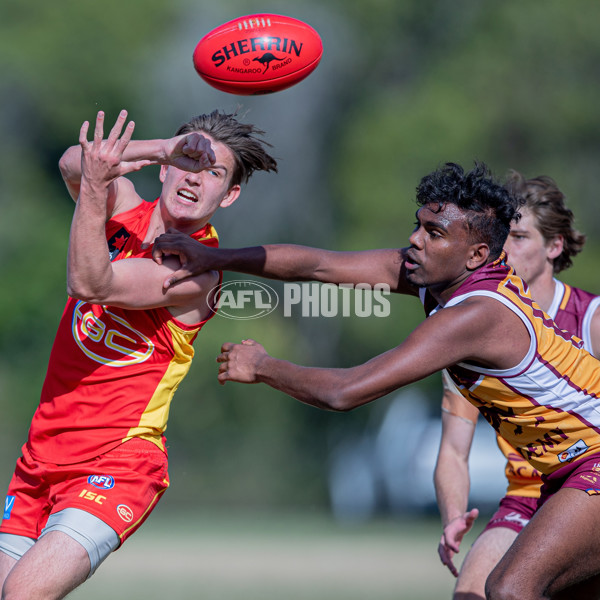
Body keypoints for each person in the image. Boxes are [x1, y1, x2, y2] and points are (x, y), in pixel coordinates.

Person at [152, 161, 600, 599]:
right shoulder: (445, 281)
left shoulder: (476, 314)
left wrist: (264, 365)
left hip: (591, 462)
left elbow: (346, 391)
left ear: (477, 255)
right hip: (563, 472)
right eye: (419, 225)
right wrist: (216, 257)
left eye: (434, 233)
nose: (414, 240)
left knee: (508, 590)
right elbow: (319, 266)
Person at [0, 109, 277, 599]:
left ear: (229, 195)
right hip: (40, 457)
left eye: (214, 173)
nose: (195, 178)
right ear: (165, 167)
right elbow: (71, 163)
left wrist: (93, 186)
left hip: (119, 463)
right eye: (188, 161)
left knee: (22, 595)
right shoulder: (123, 206)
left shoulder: (200, 274)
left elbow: (90, 283)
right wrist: (156, 148)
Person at [434, 171, 600, 599]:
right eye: (501, 235)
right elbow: (454, 448)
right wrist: (453, 516)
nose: (505, 248)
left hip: (588, 482)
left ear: (555, 246)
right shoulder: (472, 323)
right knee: (472, 591)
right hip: (527, 495)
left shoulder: (590, 320)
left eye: (521, 236)